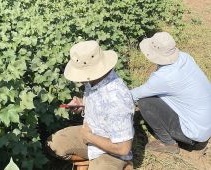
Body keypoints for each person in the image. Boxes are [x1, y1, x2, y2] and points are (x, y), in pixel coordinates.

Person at [46, 41, 135, 170]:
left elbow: (123, 148)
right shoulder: (94, 79)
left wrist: (89, 137)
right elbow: (99, 102)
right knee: (53, 145)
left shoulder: (116, 98)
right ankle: (88, 161)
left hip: (112, 151)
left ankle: (124, 165)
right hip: (90, 132)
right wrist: (82, 103)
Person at [131, 32, 211, 153]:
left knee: (145, 102)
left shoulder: (164, 77)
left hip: (193, 134)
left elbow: (134, 95)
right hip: (205, 123)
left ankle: (168, 143)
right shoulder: (185, 57)